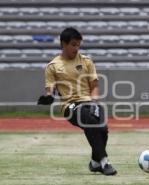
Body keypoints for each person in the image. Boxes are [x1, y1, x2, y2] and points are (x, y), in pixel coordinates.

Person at [38, 27, 117, 176]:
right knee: (90, 121)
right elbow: (50, 90)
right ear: (63, 44)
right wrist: (48, 97)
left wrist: (94, 102)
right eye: (73, 44)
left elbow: (94, 87)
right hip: (70, 106)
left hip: (89, 101)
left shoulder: (86, 61)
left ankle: (94, 163)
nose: (77, 48)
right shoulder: (53, 66)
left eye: (78, 45)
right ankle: (105, 162)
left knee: (102, 129)